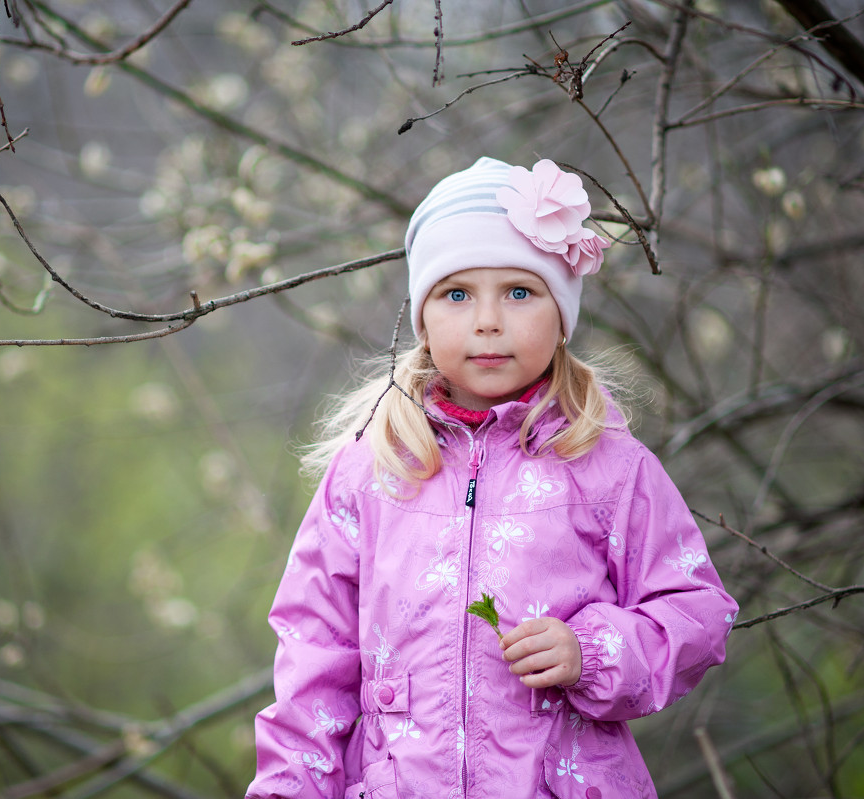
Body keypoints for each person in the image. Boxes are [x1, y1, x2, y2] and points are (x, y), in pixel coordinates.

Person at [246, 157, 737, 799]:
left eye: (519, 292)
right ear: (424, 318)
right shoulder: (372, 469)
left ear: (561, 317)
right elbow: (313, 653)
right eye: (457, 294)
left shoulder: (607, 466)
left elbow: (698, 611)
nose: (487, 321)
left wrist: (593, 651)